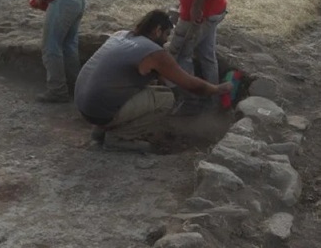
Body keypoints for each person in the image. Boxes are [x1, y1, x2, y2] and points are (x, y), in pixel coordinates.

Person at [75, 10, 232, 152]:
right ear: (157, 30)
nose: (165, 41)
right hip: (98, 110)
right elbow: (191, 85)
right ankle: (119, 137)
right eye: (166, 35)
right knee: (165, 98)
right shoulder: (154, 53)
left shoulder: (121, 35)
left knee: (150, 89)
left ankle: (101, 129)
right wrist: (217, 89)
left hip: (84, 105)